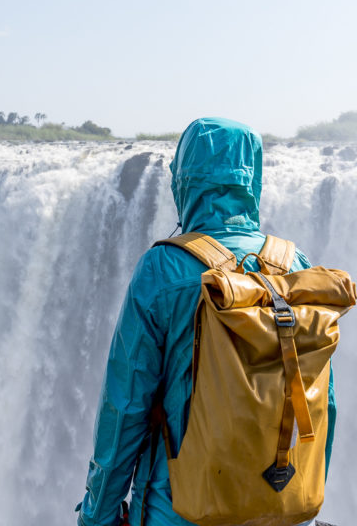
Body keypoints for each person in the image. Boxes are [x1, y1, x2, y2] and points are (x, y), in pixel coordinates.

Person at [75, 117, 336, 526]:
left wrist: (98, 516)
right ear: (254, 183)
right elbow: (324, 402)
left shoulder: (163, 268)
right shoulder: (294, 265)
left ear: (183, 181)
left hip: (179, 511)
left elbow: (125, 408)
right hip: (283, 509)